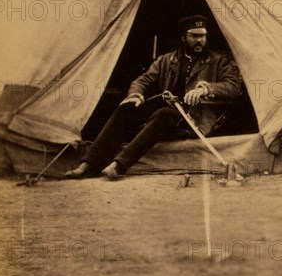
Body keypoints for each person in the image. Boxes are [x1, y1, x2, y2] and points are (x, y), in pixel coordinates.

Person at [65, 15, 242, 180]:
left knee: (163, 114)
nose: (199, 41)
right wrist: (136, 95)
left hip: (195, 118)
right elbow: (143, 80)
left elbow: (233, 87)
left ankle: (119, 165)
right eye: (194, 36)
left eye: (203, 36)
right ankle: (88, 164)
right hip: (168, 112)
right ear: (183, 38)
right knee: (126, 109)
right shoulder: (166, 60)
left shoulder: (218, 61)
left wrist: (206, 89)